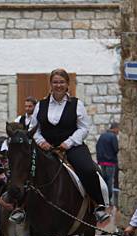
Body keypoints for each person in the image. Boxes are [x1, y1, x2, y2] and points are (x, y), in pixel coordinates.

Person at [29, 68, 110, 224]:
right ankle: (21, 208)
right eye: (55, 82)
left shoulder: (77, 104)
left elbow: (84, 128)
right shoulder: (40, 105)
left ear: (67, 84)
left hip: (72, 147)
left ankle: (98, 206)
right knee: (24, 171)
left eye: (61, 82)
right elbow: (34, 129)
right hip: (46, 148)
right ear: (50, 84)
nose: (58, 85)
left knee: (88, 169)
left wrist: (69, 143)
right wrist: (41, 142)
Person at [96, 122, 120, 208]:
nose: (118, 131)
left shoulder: (102, 136)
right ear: (115, 128)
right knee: (109, 182)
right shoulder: (113, 137)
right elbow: (116, 149)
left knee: (104, 180)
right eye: (118, 129)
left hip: (102, 162)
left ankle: (103, 199)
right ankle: (108, 201)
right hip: (110, 162)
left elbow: (97, 146)